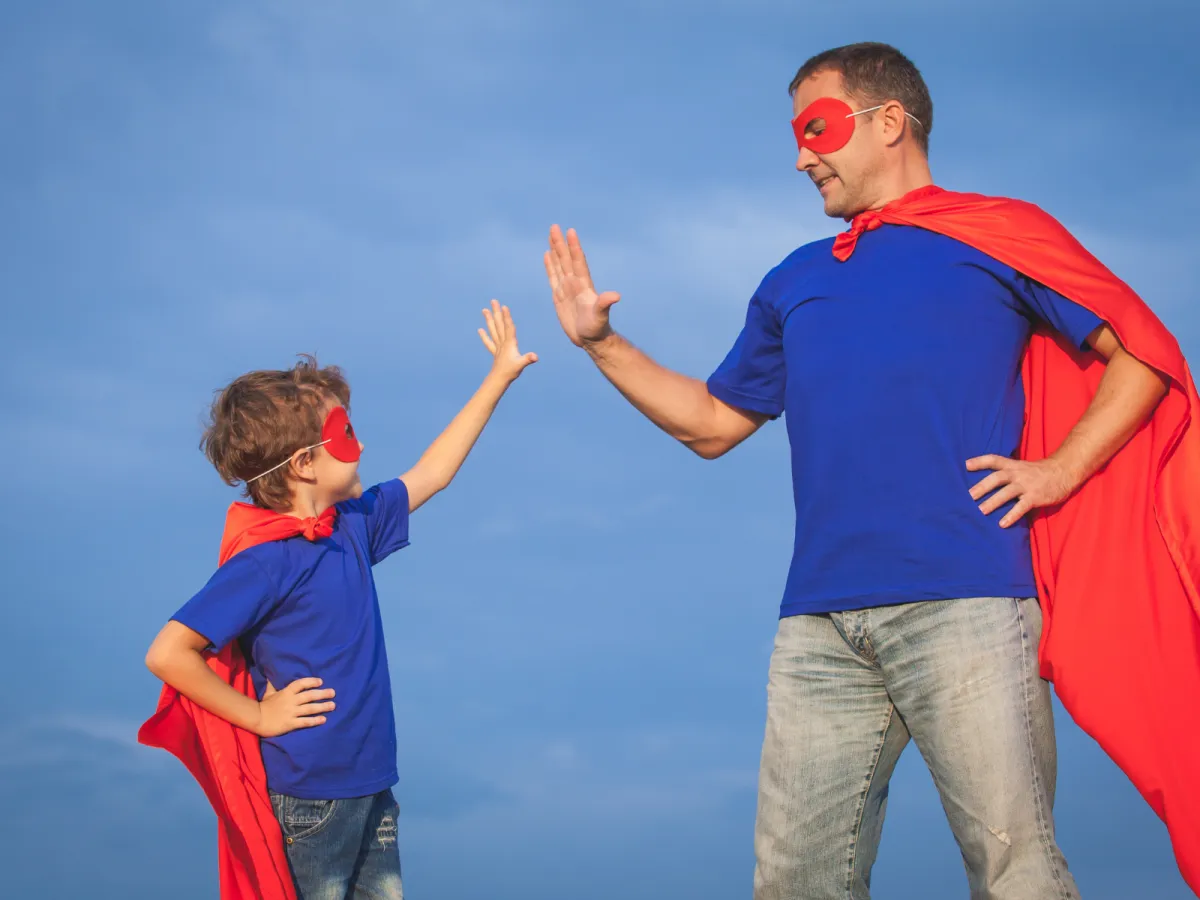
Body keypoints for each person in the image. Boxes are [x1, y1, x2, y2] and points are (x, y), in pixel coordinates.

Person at [542, 42, 1200, 900]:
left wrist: (1059, 472)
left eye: (817, 127)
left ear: (891, 122)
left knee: (1017, 875)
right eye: (795, 135)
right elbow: (710, 424)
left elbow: (1141, 356)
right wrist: (602, 345)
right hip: (817, 631)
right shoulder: (796, 280)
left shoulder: (999, 236)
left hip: (968, 610)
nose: (801, 155)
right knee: (793, 884)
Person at [143, 301, 536, 900]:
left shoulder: (350, 526)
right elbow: (170, 652)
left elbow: (431, 473)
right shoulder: (265, 560)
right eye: (344, 434)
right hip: (308, 800)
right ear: (303, 464)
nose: (361, 442)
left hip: (374, 788)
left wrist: (499, 377)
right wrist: (257, 716)